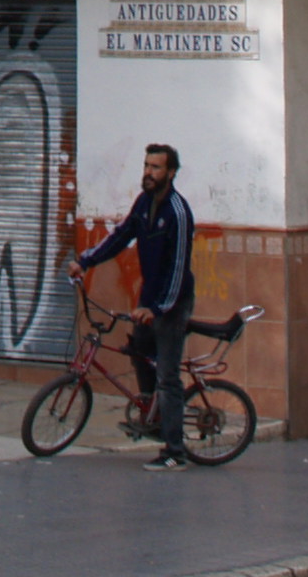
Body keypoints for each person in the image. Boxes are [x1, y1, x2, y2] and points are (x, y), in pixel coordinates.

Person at [79, 141, 199, 467]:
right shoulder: (144, 203)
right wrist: (86, 261)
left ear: (171, 173)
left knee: (168, 377)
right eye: (146, 166)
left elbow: (178, 268)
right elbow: (120, 236)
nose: (148, 172)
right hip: (150, 295)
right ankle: (153, 410)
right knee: (139, 348)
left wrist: (158, 309)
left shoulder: (178, 212)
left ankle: (175, 452)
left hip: (173, 301)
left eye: (155, 167)